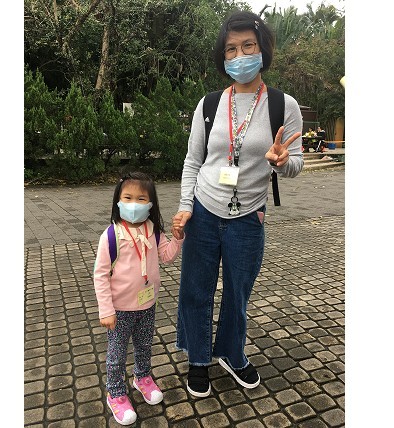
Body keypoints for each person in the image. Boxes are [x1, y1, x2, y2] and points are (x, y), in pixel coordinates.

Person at [172, 10, 304, 398]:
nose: (240, 55)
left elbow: (294, 164)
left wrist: (282, 162)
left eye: (248, 46)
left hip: (248, 216)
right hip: (204, 210)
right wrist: (185, 205)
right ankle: (199, 359)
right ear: (222, 56)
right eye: (231, 49)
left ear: (263, 50)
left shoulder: (283, 105)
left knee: (237, 293)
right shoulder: (209, 104)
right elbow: (193, 160)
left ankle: (231, 353)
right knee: (195, 290)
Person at [93, 171, 184, 425]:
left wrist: (177, 239)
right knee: (116, 354)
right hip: (120, 309)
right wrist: (106, 310)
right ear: (118, 201)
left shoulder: (154, 231)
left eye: (141, 199)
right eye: (128, 198)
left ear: (151, 204)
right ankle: (115, 393)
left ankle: (142, 377)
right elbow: (100, 275)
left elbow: (166, 256)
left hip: (147, 304)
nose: (134, 204)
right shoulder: (111, 235)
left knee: (144, 345)